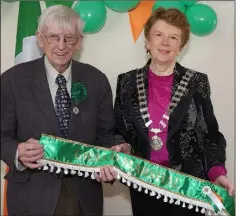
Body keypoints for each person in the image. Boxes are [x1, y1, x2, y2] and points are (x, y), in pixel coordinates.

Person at [113, 7, 234, 216]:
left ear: (181, 46)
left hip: (189, 187)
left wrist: (217, 173)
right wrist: (122, 146)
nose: (165, 42)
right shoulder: (126, 81)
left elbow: (210, 136)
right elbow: (120, 130)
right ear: (147, 42)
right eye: (158, 35)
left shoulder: (197, 82)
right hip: (144, 185)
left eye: (173, 37)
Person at [1, 5, 115, 216]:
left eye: (69, 38)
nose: (61, 46)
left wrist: (111, 158)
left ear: (79, 41)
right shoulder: (12, 80)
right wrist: (17, 151)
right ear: (40, 38)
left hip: (84, 198)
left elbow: (106, 135)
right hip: (31, 196)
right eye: (53, 37)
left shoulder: (96, 81)